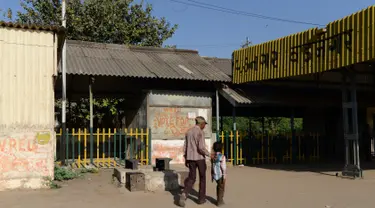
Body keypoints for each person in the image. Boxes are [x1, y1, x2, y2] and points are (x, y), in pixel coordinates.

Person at [178, 116, 211, 207]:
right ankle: (201, 199)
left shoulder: (188, 132)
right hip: (199, 158)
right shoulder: (200, 132)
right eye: (204, 124)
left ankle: (184, 194)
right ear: (202, 124)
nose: (204, 126)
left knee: (192, 177)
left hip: (190, 158)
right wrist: (209, 154)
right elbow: (201, 148)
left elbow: (185, 147)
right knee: (202, 178)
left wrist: (186, 158)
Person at [211, 141, 226, 206]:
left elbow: (212, 166)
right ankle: (220, 201)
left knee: (218, 187)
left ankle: (219, 199)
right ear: (221, 148)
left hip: (215, 174)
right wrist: (224, 175)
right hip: (220, 175)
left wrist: (212, 175)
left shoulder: (213, 156)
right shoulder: (222, 157)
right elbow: (223, 167)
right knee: (221, 188)